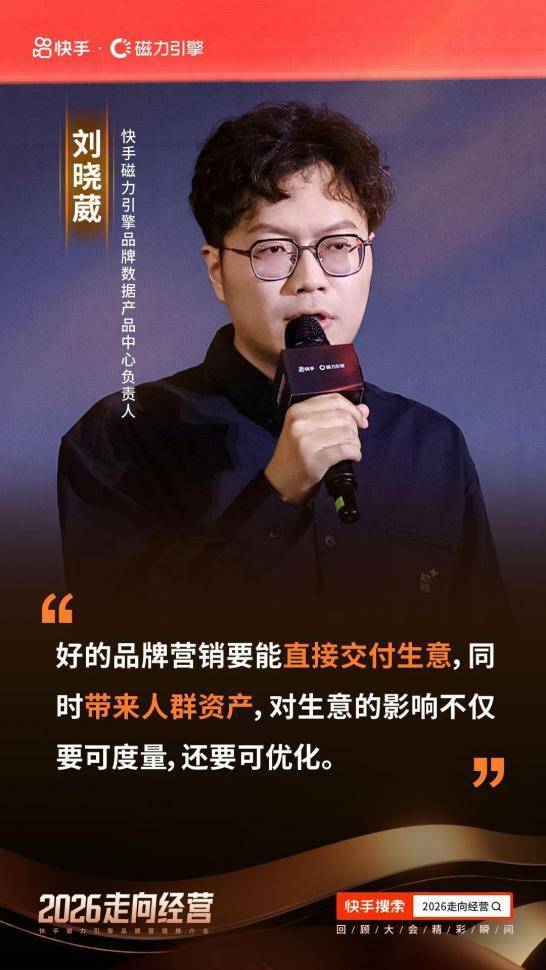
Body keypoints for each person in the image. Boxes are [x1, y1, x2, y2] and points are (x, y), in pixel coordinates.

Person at [58, 101, 508, 637]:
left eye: (339, 246)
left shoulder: (431, 445)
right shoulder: (121, 438)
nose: (310, 278)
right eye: (273, 250)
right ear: (217, 271)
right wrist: (278, 494)